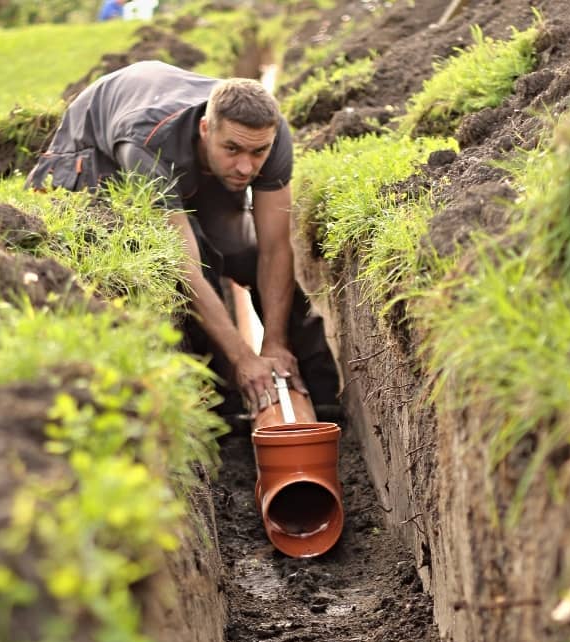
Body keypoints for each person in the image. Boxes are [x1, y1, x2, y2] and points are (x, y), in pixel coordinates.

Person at [25, 60, 340, 419]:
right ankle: (225, 406)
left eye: (258, 153)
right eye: (233, 149)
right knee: (188, 267)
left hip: (188, 160)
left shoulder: (269, 133)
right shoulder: (146, 143)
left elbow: (275, 247)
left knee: (243, 251)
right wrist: (242, 357)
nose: (246, 168)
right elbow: (183, 264)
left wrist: (274, 343)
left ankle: (319, 392)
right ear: (206, 129)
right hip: (99, 154)